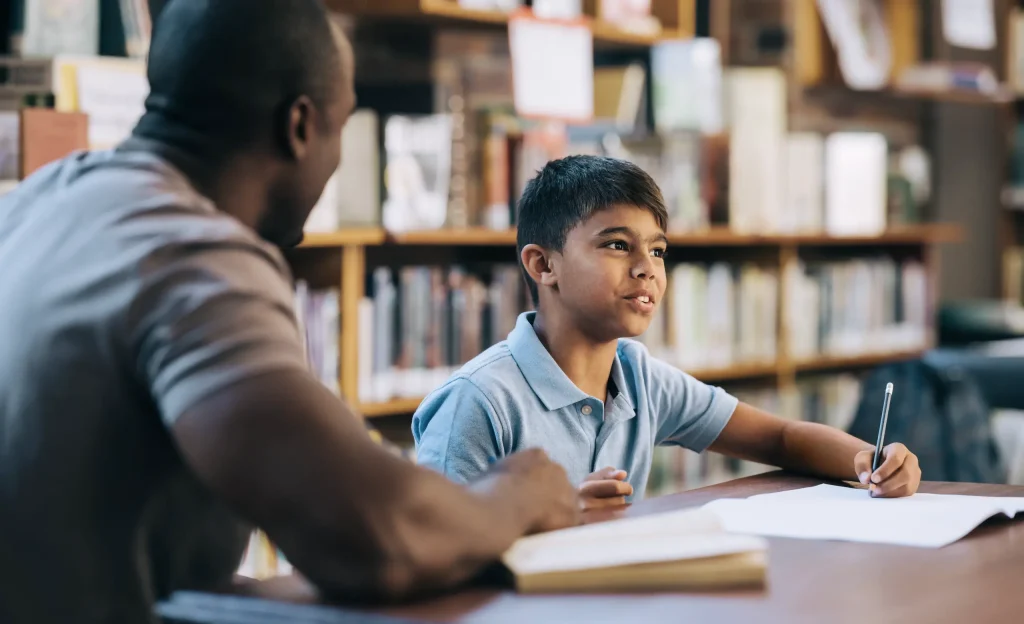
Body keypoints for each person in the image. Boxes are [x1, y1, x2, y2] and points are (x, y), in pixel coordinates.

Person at [0, 2, 579, 622]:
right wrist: (515, 494)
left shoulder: (41, 199)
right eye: (343, 126)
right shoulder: (191, 255)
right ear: (300, 125)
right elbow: (378, 538)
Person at [413, 155, 923, 508]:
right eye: (617, 245)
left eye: (657, 251)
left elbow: (782, 437)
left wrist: (870, 463)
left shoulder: (638, 377)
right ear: (543, 265)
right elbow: (429, 544)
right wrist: (547, 517)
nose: (647, 270)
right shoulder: (478, 403)